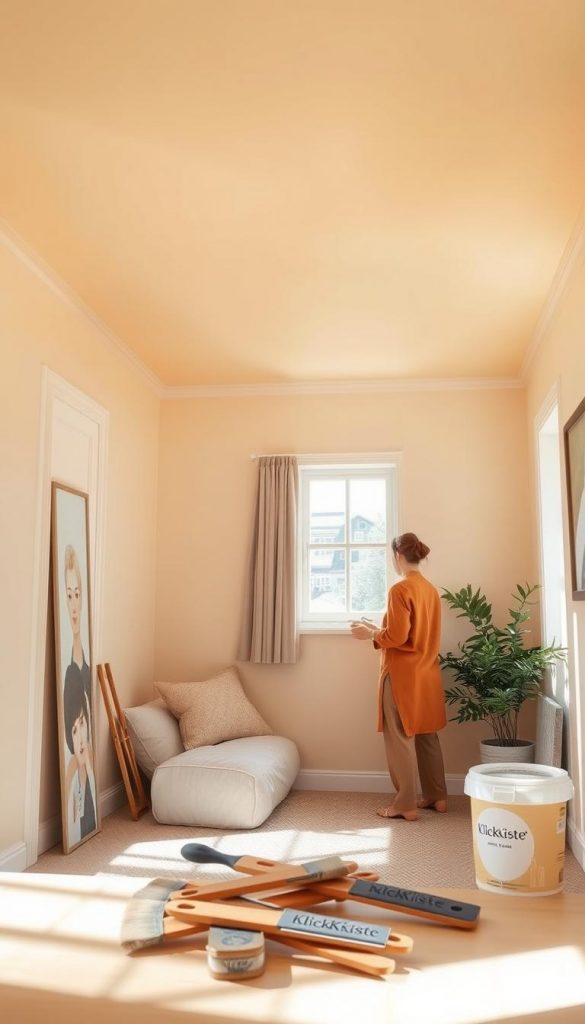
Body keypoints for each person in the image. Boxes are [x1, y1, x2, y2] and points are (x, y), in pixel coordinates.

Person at [351, 532, 447, 821]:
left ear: (397, 556)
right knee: (427, 734)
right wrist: (375, 626)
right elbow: (411, 632)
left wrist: (369, 633)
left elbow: (397, 636)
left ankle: (405, 804)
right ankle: (437, 795)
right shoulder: (430, 590)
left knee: (401, 737)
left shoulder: (399, 589)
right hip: (426, 673)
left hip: (402, 675)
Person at [63, 663, 97, 844]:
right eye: (74, 731)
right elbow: (73, 817)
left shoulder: (91, 759)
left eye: (82, 723)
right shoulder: (70, 771)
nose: (81, 740)